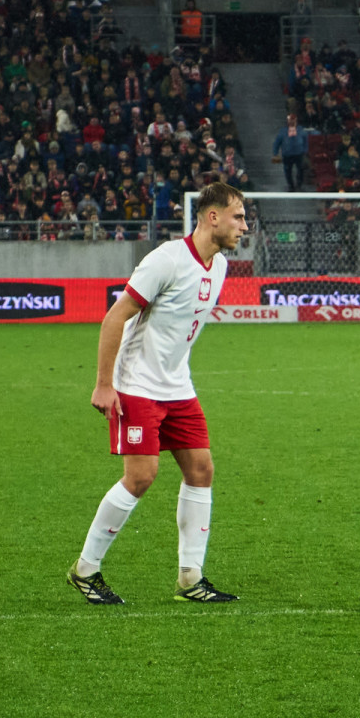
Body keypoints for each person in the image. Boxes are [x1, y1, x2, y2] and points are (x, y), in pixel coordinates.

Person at [68, 182, 250, 606]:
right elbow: (114, 319)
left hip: (177, 385)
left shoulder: (219, 265)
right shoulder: (166, 260)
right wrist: (104, 384)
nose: (244, 226)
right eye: (238, 216)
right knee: (141, 476)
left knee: (201, 470)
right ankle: (85, 570)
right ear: (213, 217)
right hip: (137, 385)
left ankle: (191, 578)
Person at [271, 114, 311, 191]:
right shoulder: (283, 131)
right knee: (288, 170)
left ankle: (299, 185)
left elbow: (305, 141)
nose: (292, 122)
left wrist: (305, 151)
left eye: (293, 120)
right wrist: (275, 153)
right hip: (287, 154)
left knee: (300, 169)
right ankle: (291, 185)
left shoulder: (301, 130)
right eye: (290, 120)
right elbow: (277, 142)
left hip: (299, 154)